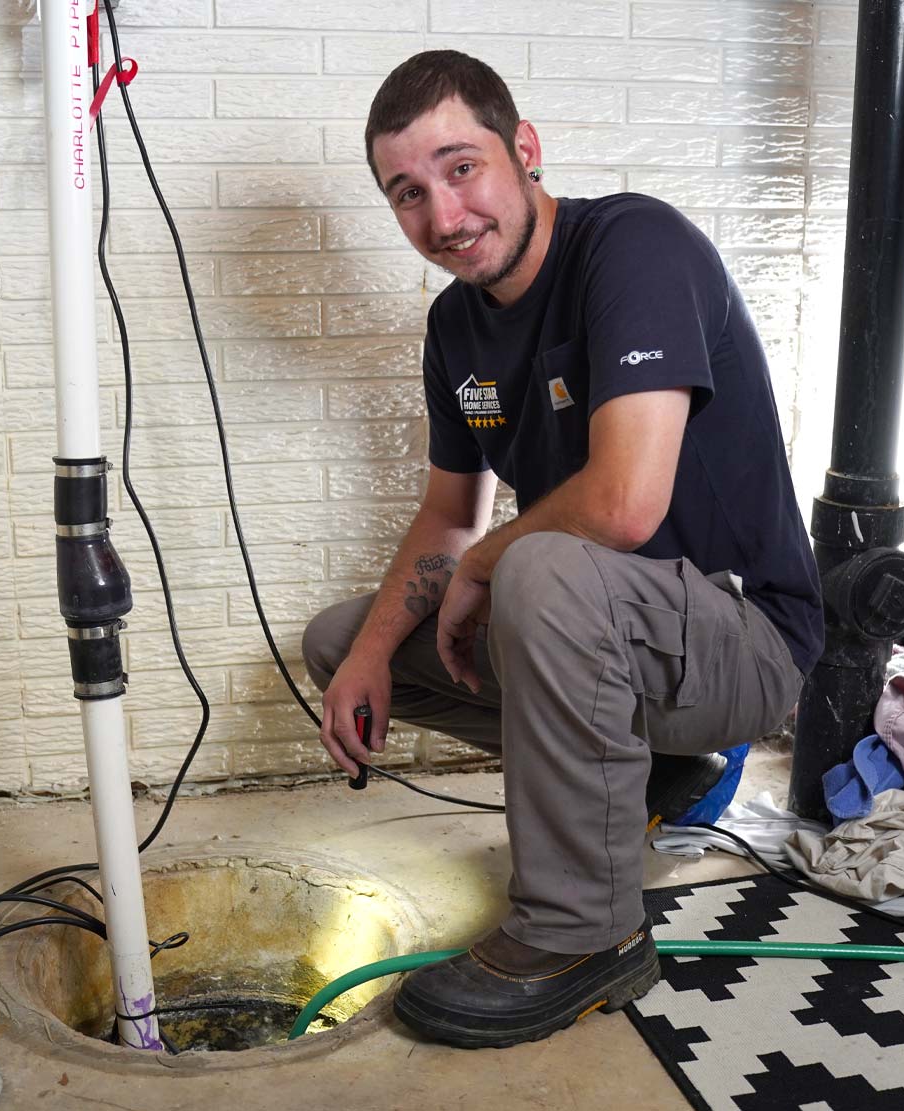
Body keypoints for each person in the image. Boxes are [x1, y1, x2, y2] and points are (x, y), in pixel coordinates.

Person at [301, 50, 823, 1049]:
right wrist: (371, 651)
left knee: (534, 566)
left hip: (744, 639)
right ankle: (642, 774)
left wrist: (491, 562)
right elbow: (451, 515)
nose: (442, 217)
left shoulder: (633, 246)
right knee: (343, 639)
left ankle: (586, 935)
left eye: (461, 169)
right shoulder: (455, 327)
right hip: (605, 630)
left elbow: (625, 504)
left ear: (524, 150)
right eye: (407, 193)